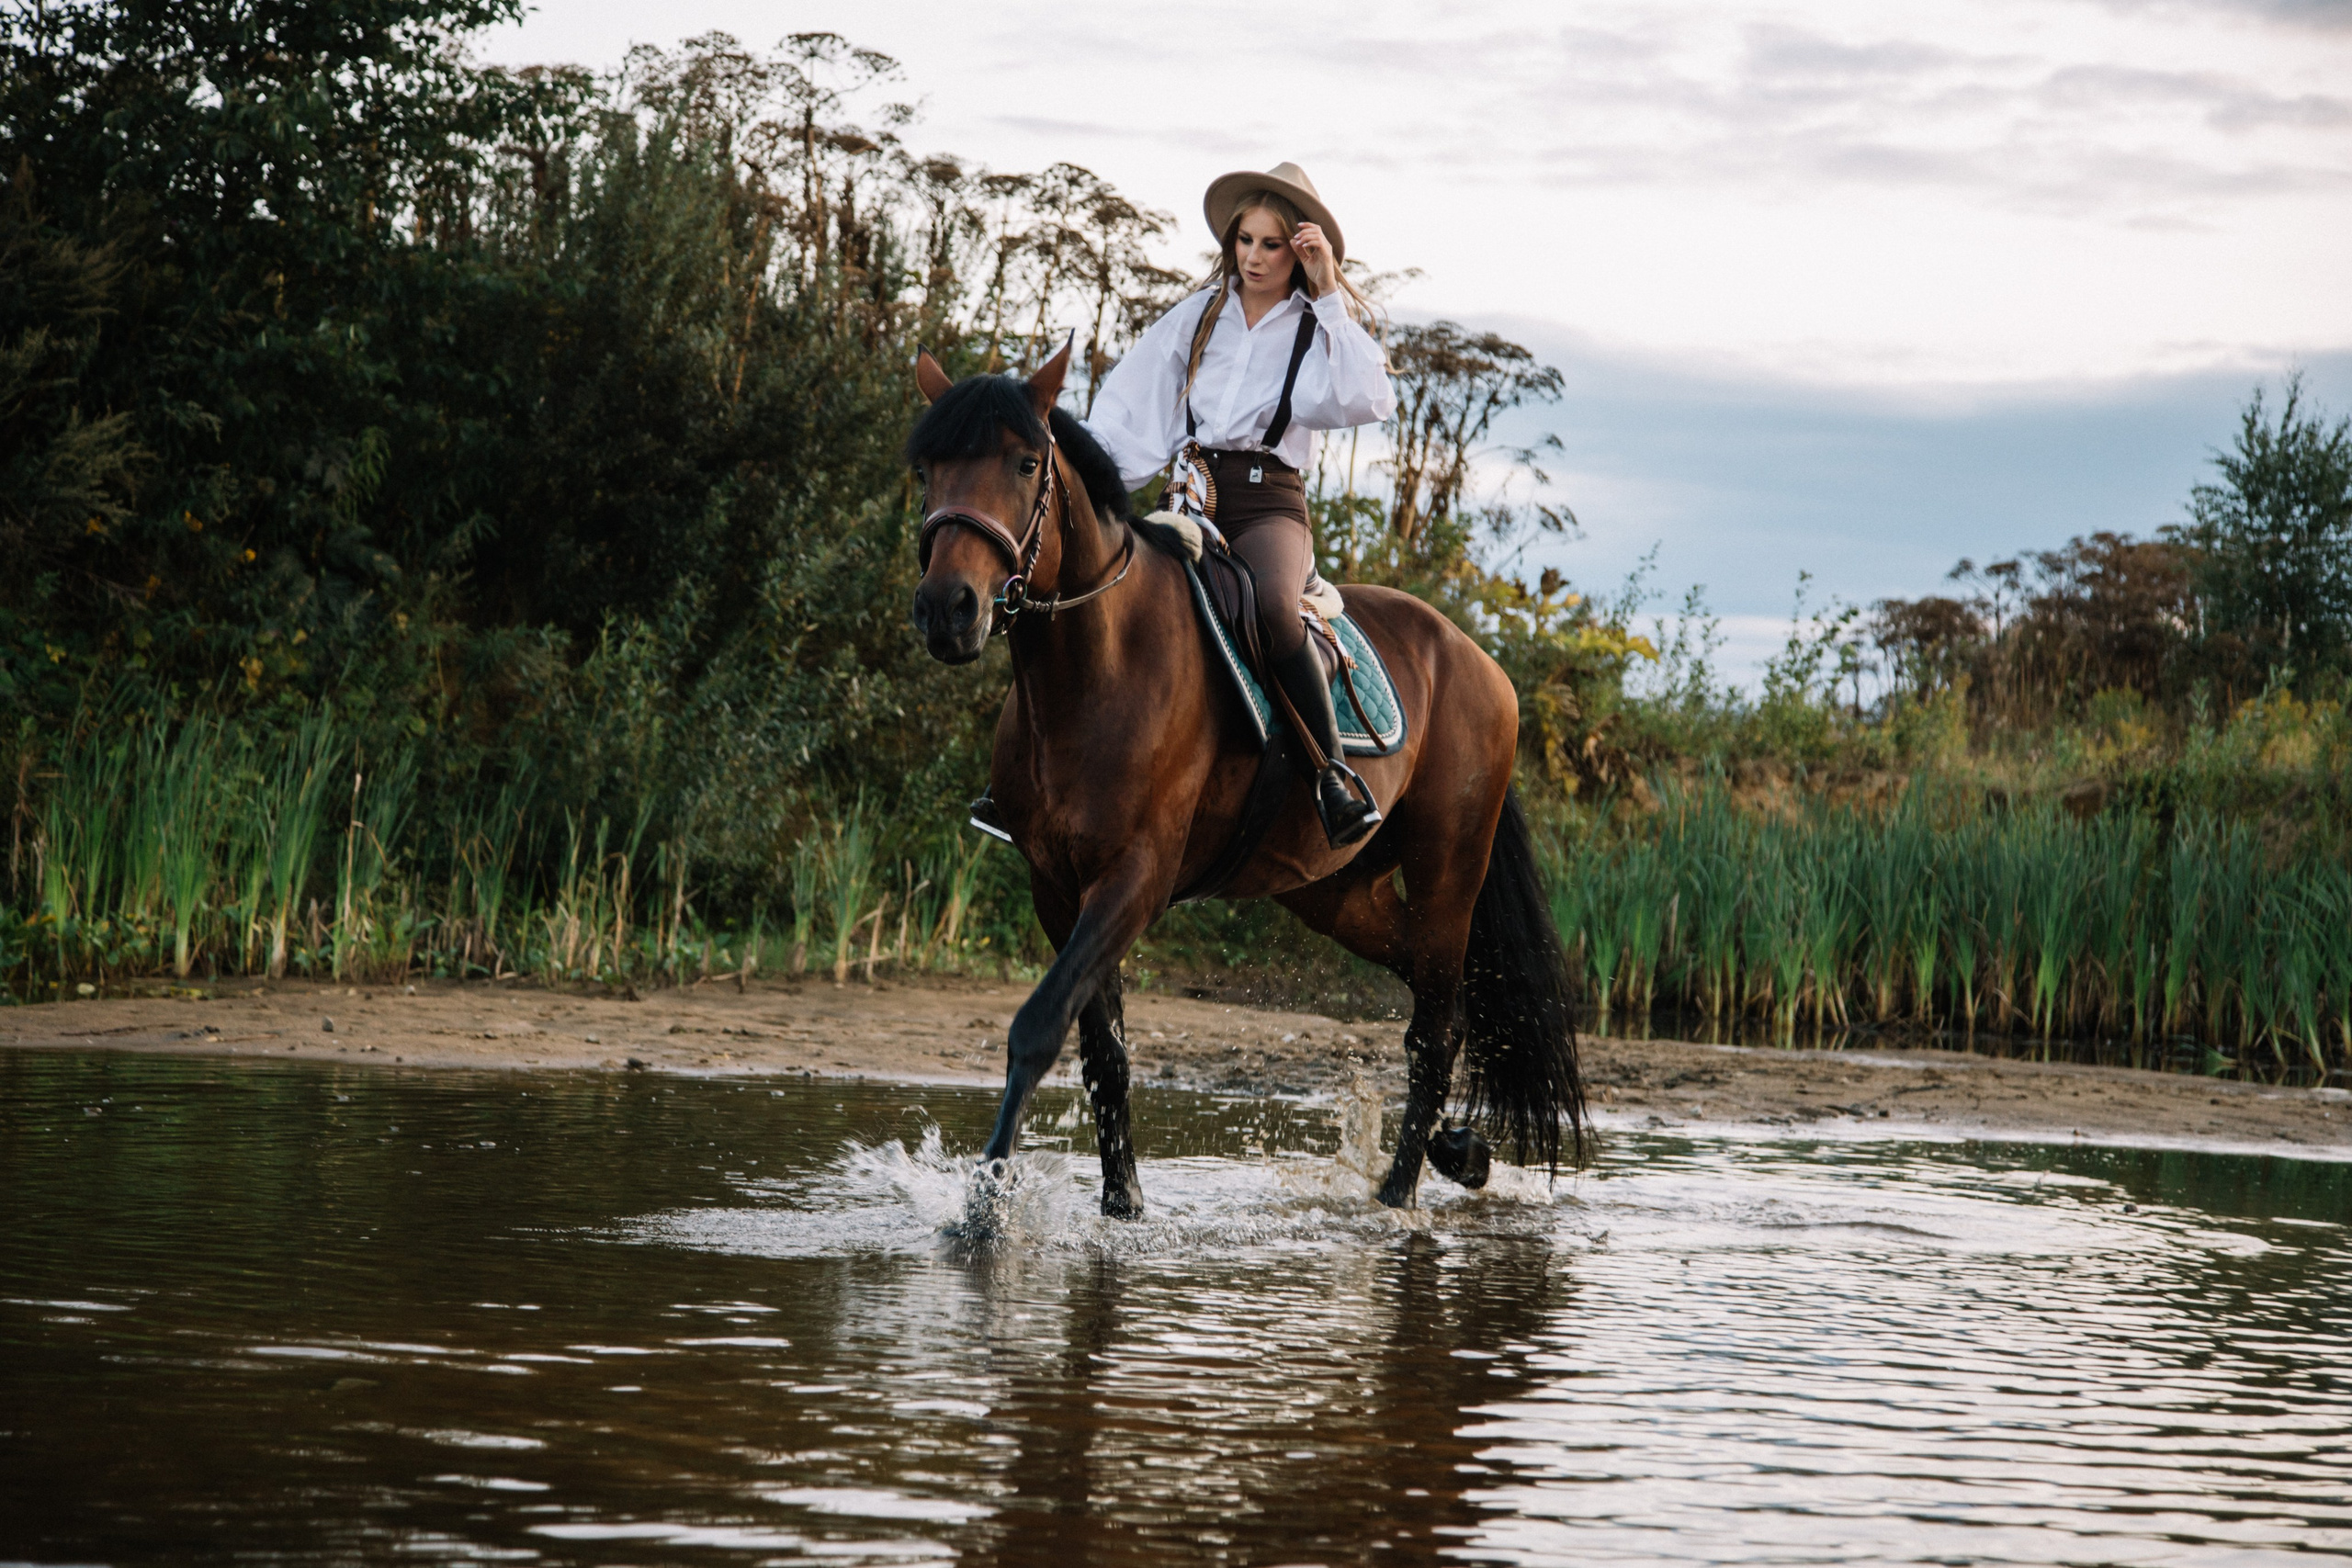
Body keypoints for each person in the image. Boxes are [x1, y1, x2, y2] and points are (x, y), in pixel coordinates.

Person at [1085, 162, 1396, 848]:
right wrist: (1090, 472)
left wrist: (1328, 293)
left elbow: (1369, 396)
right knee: (1101, 596)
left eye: (1273, 245)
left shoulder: (1317, 328)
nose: (1254, 258)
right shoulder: (1199, 315)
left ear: (1302, 249)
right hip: (1188, 491)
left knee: (1275, 611)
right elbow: (1131, 402)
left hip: (1268, 504)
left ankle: (1331, 776)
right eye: (1245, 241)